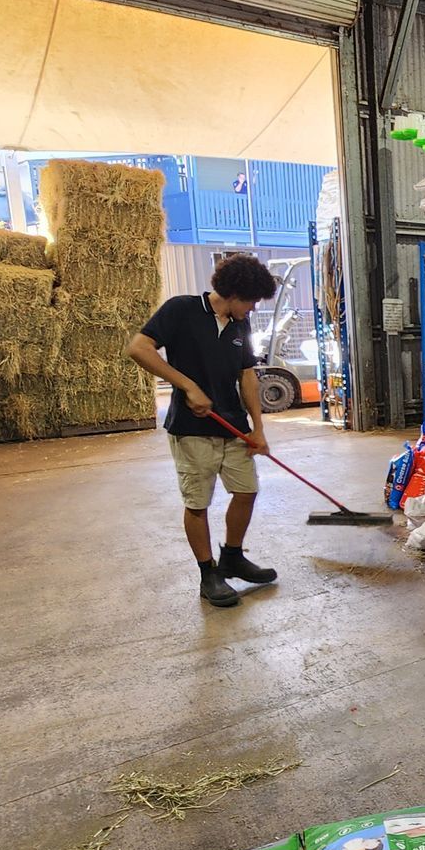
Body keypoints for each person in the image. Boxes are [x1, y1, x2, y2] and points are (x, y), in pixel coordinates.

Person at [126, 254, 280, 607]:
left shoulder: (241, 325)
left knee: (247, 491)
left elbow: (247, 375)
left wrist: (258, 428)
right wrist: (187, 386)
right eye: (252, 301)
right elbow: (138, 348)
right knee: (197, 503)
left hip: (233, 427)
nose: (253, 309)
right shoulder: (182, 309)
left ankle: (233, 557)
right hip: (191, 428)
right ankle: (208, 572)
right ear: (234, 294)